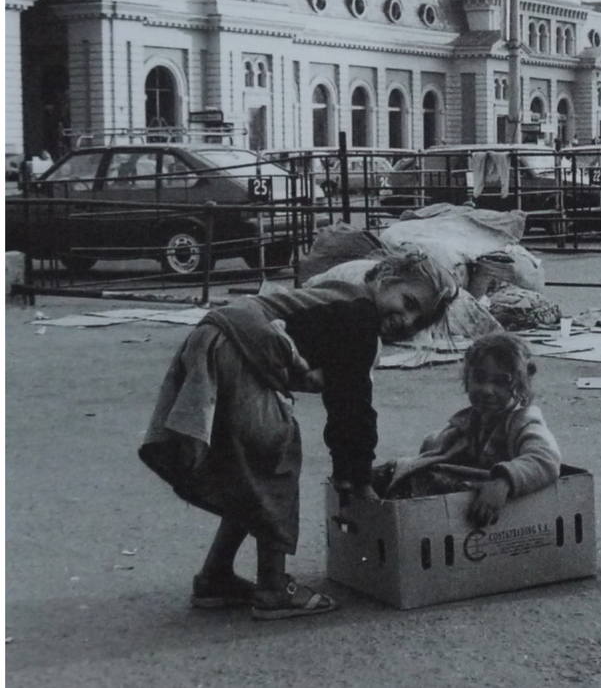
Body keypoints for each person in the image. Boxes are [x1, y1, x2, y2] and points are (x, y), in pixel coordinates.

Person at [138, 251, 458, 620]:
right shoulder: (361, 316)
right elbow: (351, 406)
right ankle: (273, 588)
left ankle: (216, 576)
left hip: (220, 338)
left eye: (418, 320)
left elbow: (333, 385)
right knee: (275, 458)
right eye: (409, 302)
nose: (407, 320)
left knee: (247, 475)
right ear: (386, 279)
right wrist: (355, 475)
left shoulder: (344, 299)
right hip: (240, 343)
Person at [378, 333, 561, 527]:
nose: (486, 389)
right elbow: (440, 446)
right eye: (479, 378)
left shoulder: (524, 423)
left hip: (489, 498)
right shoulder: (470, 419)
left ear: (521, 387)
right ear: (467, 379)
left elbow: (545, 458)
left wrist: (503, 482)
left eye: (500, 382)